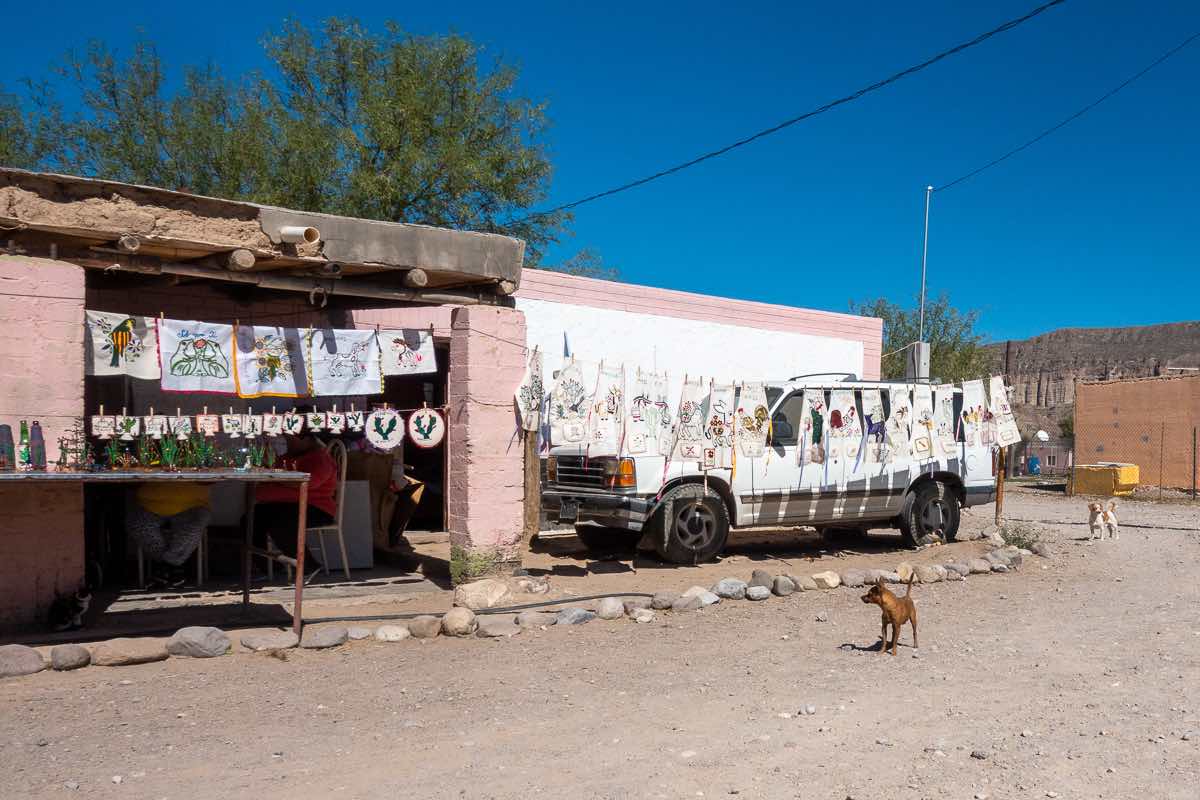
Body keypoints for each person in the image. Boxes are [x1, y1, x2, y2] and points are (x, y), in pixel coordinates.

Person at [253, 429, 337, 572]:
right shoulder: (287, 458)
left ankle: (309, 566)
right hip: (284, 506)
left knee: (281, 524)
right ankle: (268, 567)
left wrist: (276, 478)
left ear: (307, 439)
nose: (289, 444)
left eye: (291, 440)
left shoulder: (319, 458)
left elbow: (309, 482)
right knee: (250, 519)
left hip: (315, 508)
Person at [126, 482, 211, 588]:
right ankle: (174, 568)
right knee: (137, 524)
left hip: (192, 505)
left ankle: (165, 568)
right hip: (148, 505)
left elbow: (211, 479)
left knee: (195, 524)